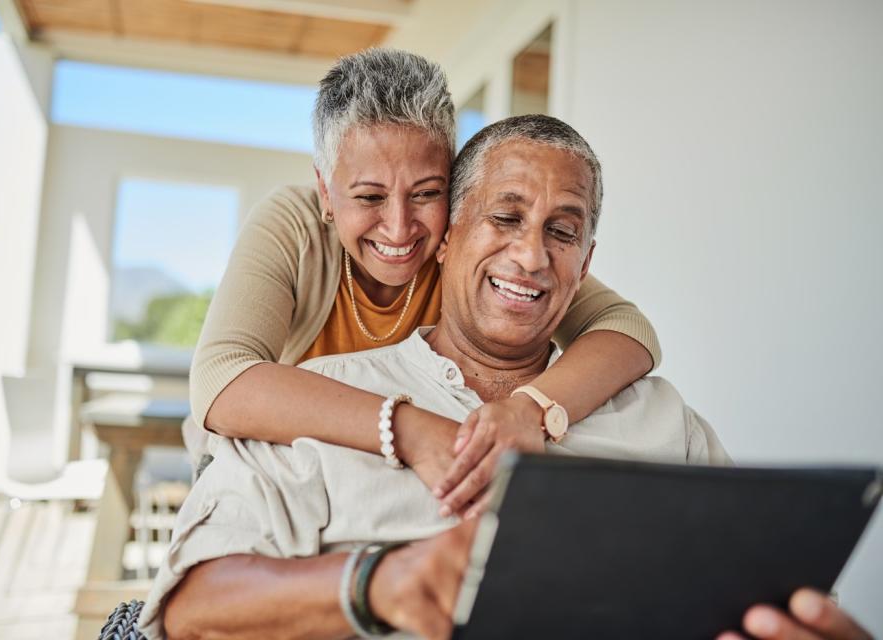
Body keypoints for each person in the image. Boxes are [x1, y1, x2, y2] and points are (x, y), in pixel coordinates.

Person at [137, 116, 869, 640]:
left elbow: (777, 592)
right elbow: (190, 607)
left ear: (584, 264)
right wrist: (375, 584)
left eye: (561, 231)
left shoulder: (660, 419)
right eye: (504, 218)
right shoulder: (321, 402)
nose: (529, 257)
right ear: (446, 235)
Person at [188, 49, 663, 515]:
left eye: (427, 193)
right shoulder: (295, 226)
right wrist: (408, 429)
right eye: (370, 196)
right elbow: (221, 379)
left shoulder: (472, 249)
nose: (399, 227)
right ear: (326, 191)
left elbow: (627, 329)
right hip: (278, 467)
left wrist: (532, 409)